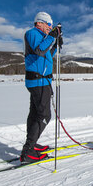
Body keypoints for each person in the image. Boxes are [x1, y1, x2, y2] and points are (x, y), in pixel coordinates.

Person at [20, 11, 63, 163]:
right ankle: (28, 151)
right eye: (48, 25)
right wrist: (52, 36)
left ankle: (32, 144)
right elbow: (39, 50)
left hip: (42, 81)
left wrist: (56, 45)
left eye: (51, 26)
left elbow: (46, 56)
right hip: (38, 82)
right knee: (44, 115)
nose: (49, 28)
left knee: (35, 114)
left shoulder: (42, 37)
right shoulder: (32, 33)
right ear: (39, 23)